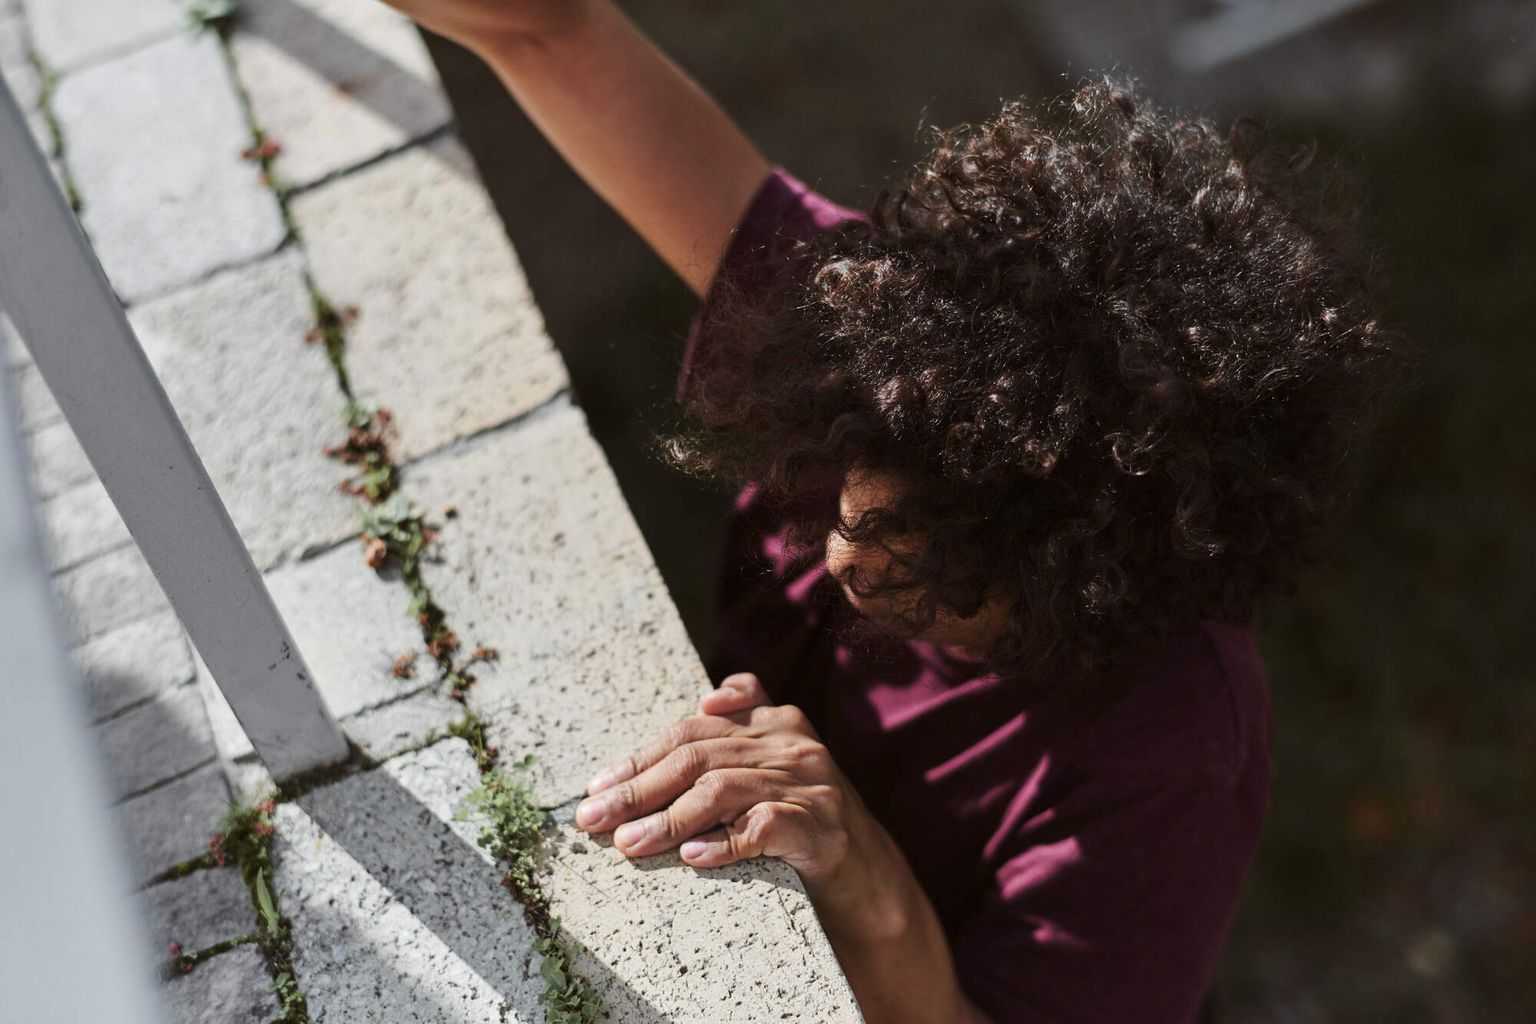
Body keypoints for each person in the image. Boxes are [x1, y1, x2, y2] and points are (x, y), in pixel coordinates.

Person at [379, 2, 1394, 1020]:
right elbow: (552, 34)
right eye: (853, 487)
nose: (835, 562)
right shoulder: (902, 353)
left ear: (1079, 587)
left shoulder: (1174, 756)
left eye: (920, 580)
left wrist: (865, 880)